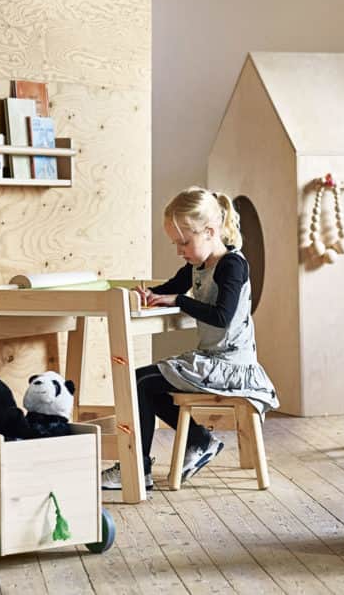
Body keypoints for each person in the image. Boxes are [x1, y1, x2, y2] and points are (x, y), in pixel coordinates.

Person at [101, 187, 278, 490]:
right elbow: (171, 287)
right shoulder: (197, 265)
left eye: (184, 242)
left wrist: (179, 301)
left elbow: (221, 316)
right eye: (176, 243)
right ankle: (197, 441)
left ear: (210, 232)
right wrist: (148, 295)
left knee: (141, 383)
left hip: (232, 367)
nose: (179, 250)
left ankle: (138, 468)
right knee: (142, 382)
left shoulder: (232, 265)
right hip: (212, 361)